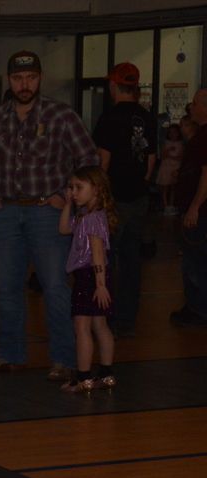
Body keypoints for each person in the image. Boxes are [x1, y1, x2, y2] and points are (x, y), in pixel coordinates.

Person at [0, 50, 99, 380]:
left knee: (54, 287)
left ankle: (65, 360)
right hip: (6, 214)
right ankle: (11, 354)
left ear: (40, 78)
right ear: (9, 80)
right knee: (7, 287)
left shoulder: (61, 115)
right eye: (18, 78)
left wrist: (66, 196)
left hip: (47, 214)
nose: (25, 84)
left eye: (31, 78)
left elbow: (88, 158)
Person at [93, 62, 156, 338]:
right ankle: (126, 317)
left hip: (114, 198)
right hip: (139, 198)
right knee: (131, 260)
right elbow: (151, 161)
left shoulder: (109, 118)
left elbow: (103, 161)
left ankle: (104, 314)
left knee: (105, 258)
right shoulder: (147, 117)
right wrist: (141, 184)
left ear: (114, 86)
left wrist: (97, 196)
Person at [58, 166, 118, 392]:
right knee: (100, 324)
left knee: (82, 326)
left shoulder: (92, 218)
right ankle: (106, 372)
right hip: (95, 275)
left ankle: (83, 377)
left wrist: (100, 285)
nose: (73, 192)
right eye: (71, 187)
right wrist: (67, 205)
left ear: (96, 189)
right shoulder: (86, 215)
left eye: (79, 188)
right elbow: (64, 229)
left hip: (90, 276)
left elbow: (98, 252)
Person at [170, 88, 207, 327]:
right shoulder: (200, 135)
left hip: (200, 214)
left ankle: (198, 310)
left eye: (194, 103)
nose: (190, 108)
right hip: (197, 210)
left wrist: (195, 206)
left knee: (196, 262)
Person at [158, 124, 184, 215]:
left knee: (173, 187)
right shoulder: (165, 143)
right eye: (170, 133)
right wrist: (168, 151)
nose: (173, 135)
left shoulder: (181, 143)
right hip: (166, 167)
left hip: (176, 167)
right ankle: (165, 206)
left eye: (175, 133)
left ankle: (171, 205)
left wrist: (172, 157)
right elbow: (162, 156)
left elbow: (181, 157)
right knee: (165, 187)